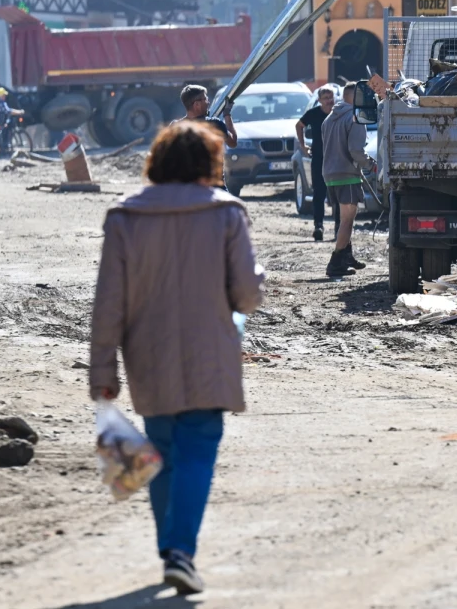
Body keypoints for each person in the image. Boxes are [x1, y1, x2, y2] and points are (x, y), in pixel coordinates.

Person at [89, 121, 264, 596]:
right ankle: (180, 553)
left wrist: (102, 371)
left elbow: (108, 303)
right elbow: (247, 296)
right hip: (210, 354)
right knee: (198, 449)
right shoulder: (226, 213)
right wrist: (255, 280)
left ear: (157, 162)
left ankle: (172, 552)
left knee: (162, 451)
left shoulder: (125, 217)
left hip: (148, 358)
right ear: (210, 163)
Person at [321, 86, 376, 278]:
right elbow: (356, 151)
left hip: (330, 175)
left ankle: (347, 256)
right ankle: (335, 262)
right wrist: (372, 165)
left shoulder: (329, 118)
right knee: (347, 220)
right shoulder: (355, 118)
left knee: (343, 218)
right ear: (356, 97)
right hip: (347, 175)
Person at [296, 86, 338, 242]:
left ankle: (338, 228)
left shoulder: (337, 113)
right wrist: (303, 146)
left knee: (336, 194)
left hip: (336, 159)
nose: (329, 101)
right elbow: (299, 125)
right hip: (319, 159)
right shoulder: (313, 114)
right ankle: (318, 226)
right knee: (319, 193)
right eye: (326, 98)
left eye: (331, 97)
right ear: (319, 100)